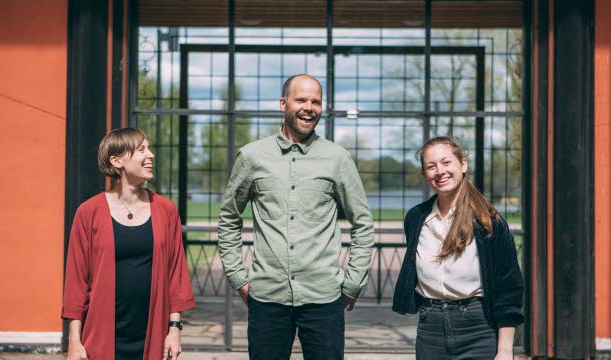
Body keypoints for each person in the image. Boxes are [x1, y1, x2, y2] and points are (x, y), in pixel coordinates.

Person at [218, 74, 375, 360]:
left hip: (324, 298)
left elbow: (363, 224)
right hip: (267, 298)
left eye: (316, 101)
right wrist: (238, 277)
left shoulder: (337, 158)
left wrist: (353, 282)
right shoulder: (252, 157)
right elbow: (229, 218)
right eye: (301, 99)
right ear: (283, 103)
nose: (309, 107)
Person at [62, 128, 195, 360]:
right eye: (142, 149)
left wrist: (175, 329)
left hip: (153, 334)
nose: (151, 155)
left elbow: (176, 276)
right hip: (102, 335)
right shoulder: (88, 212)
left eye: (149, 148)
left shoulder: (166, 211)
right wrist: (74, 340)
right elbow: (76, 281)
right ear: (117, 160)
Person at [392, 136, 524, 360]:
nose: (439, 171)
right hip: (430, 330)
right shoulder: (416, 218)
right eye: (431, 166)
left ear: (463, 164)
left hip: (479, 329)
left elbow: (508, 289)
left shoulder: (489, 222)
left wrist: (504, 350)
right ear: (425, 175)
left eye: (446, 162)